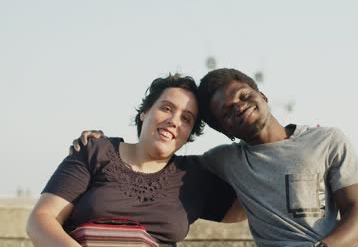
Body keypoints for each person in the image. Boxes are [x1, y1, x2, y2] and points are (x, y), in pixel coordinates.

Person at [74, 68, 358, 247]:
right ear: (226, 131)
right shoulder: (224, 160)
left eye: (243, 96)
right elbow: (159, 161)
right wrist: (105, 143)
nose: (239, 107)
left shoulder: (327, 140)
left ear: (262, 96)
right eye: (227, 112)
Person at [26, 74, 242, 247]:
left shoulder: (193, 176)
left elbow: (253, 202)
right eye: (166, 108)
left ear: (189, 134)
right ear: (144, 112)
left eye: (186, 118)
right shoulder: (96, 151)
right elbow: (41, 219)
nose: (173, 121)